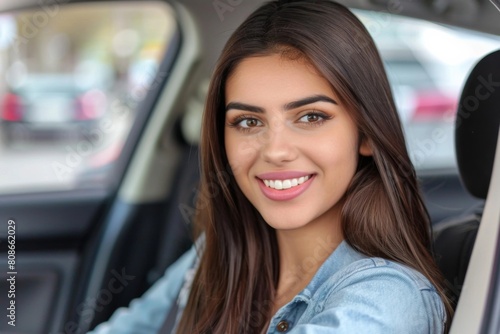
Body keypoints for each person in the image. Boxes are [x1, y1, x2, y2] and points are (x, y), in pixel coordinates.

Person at [89, 1, 453, 333]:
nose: (275, 151)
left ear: (367, 134)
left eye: (311, 116)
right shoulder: (213, 256)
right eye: (248, 122)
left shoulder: (387, 300)